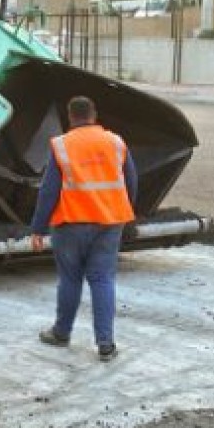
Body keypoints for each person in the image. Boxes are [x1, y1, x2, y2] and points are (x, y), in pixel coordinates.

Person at [29, 96, 138, 361]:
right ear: (94, 114)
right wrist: (126, 213)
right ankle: (105, 344)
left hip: (70, 224)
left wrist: (38, 228)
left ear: (70, 116)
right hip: (109, 223)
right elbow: (131, 181)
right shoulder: (115, 142)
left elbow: (48, 191)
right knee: (102, 280)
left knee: (70, 279)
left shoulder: (62, 145)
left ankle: (61, 333)